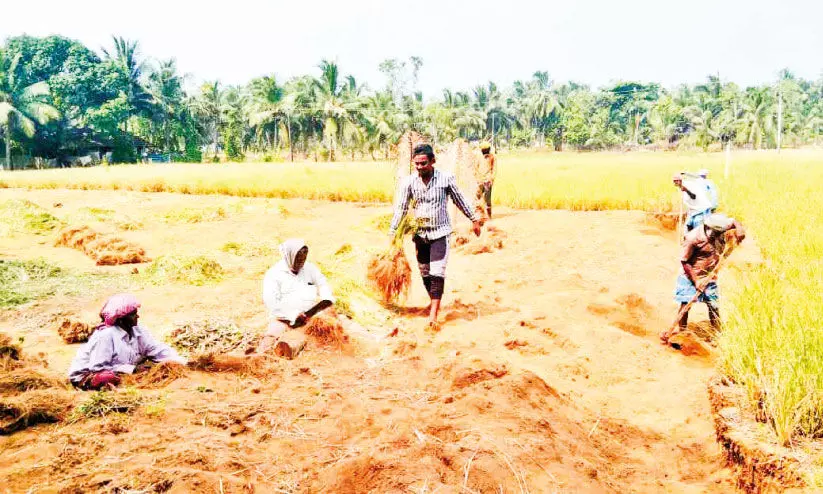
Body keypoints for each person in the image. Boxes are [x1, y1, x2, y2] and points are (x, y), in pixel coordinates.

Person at [389, 143, 482, 330]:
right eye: (416, 164)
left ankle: (433, 315)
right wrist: (393, 232)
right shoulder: (409, 183)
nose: (419, 167)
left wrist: (474, 219)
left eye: (423, 163)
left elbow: (460, 200)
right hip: (420, 235)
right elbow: (401, 208)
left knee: (437, 272)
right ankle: (433, 302)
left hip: (440, 233)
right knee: (425, 273)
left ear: (433, 161)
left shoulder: (445, 179)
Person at [68, 293, 186, 390]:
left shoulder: (139, 330)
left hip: (119, 368)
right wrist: (132, 369)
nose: (137, 316)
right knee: (106, 378)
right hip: (88, 375)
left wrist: (179, 361)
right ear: (121, 319)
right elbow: (98, 367)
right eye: (133, 314)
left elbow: (156, 349)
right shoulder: (105, 336)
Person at [661, 213, 745, 344]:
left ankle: (717, 334)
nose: (721, 235)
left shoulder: (720, 226)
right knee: (685, 305)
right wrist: (696, 281)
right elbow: (685, 262)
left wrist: (739, 230)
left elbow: (734, 221)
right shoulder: (692, 238)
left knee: (713, 305)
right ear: (709, 228)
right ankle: (682, 333)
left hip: (709, 276)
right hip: (691, 276)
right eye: (718, 233)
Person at [259, 239, 335, 352]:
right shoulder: (274, 274)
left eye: (303, 259)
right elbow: (272, 303)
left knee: (332, 332)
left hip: (310, 318)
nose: (301, 263)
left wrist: (326, 299)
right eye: (298, 259)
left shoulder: (310, 268)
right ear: (289, 256)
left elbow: (322, 283)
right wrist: (293, 314)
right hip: (284, 319)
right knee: (268, 345)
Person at [475, 142, 496, 220]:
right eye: (483, 150)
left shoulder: (492, 157)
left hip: (487, 181)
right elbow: (475, 168)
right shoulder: (478, 157)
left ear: (488, 150)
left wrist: (491, 179)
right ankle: (478, 216)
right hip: (479, 181)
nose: (484, 151)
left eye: (486, 150)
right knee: (476, 198)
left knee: (487, 199)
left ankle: (489, 216)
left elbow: (494, 169)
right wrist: (477, 178)